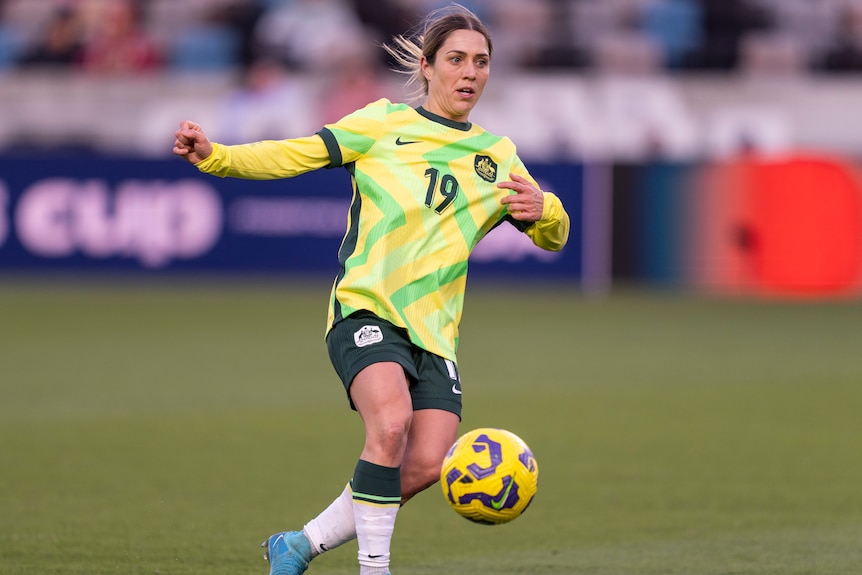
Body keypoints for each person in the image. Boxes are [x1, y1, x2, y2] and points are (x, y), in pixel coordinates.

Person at [173, 5, 569, 575]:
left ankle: (300, 544)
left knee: (427, 463)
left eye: (481, 62)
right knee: (390, 425)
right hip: (367, 308)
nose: (470, 72)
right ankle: (374, 568)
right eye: (456, 59)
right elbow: (295, 153)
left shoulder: (497, 156)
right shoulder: (382, 124)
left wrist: (546, 209)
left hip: (435, 332)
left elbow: (554, 235)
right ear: (427, 66)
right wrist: (217, 157)